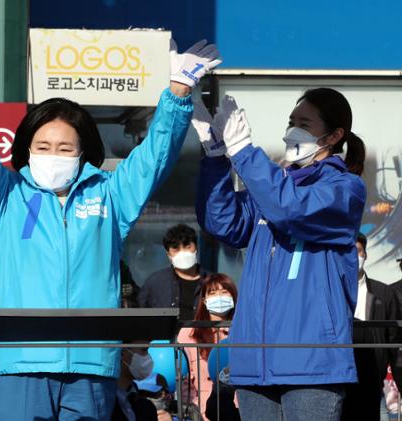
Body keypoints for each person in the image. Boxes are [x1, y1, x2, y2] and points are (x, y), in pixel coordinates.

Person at [0, 27, 221, 420]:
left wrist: (179, 93)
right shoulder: (6, 197)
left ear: (83, 153)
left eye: (65, 148)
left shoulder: (109, 196)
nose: (53, 155)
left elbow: (152, 161)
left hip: (89, 365)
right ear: (27, 150)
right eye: (43, 147)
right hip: (19, 363)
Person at [193, 88, 366, 420]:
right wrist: (216, 156)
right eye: (291, 120)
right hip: (254, 360)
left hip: (311, 363)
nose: (292, 129)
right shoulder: (272, 185)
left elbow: (291, 209)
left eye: (304, 122)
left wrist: (244, 150)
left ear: (334, 135)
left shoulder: (344, 189)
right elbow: (223, 222)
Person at [341, 233, 401, 421]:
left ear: (365, 254)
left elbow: (394, 341)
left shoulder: (384, 293)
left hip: (371, 377)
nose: (354, 256)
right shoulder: (331, 292)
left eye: (358, 251)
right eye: (349, 251)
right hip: (338, 378)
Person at [177, 273, 239, 421]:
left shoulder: (243, 330)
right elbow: (184, 380)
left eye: (224, 291)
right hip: (205, 411)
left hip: (241, 408)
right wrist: (193, 410)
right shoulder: (189, 332)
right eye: (212, 293)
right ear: (204, 300)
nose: (219, 297)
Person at [138, 224, 205, 320]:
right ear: (168, 254)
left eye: (187, 247)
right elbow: (140, 315)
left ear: (196, 248)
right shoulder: (155, 282)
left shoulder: (213, 282)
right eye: (176, 249)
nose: (183, 253)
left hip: (204, 334)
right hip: (167, 335)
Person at [112, 343, 159, 421]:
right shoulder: (104, 404)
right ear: (122, 352)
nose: (148, 358)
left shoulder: (147, 408)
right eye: (144, 350)